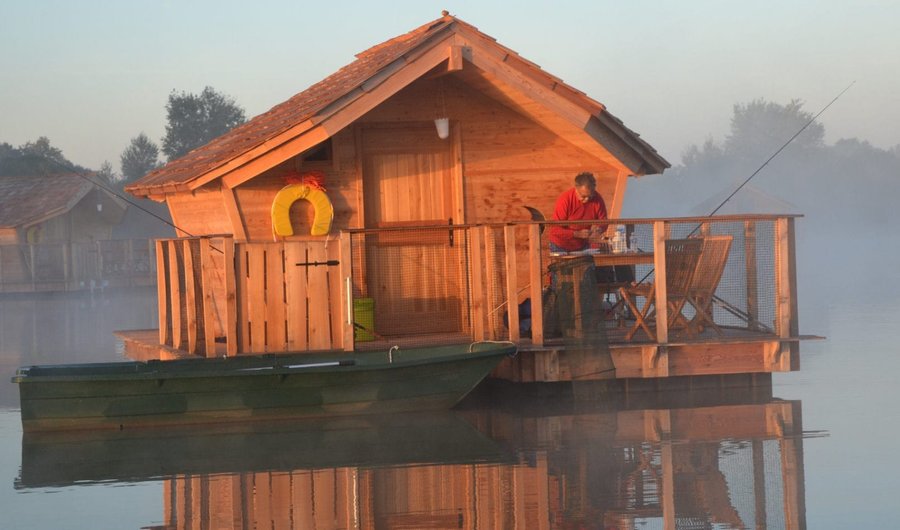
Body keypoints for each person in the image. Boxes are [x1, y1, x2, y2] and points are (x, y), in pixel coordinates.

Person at [549, 172, 608, 253]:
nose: (587, 199)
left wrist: (598, 230)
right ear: (576, 189)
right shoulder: (565, 199)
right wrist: (576, 234)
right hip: (560, 245)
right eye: (583, 196)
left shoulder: (598, 199)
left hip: (582, 245)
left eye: (590, 196)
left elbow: (604, 221)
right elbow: (555, 230)